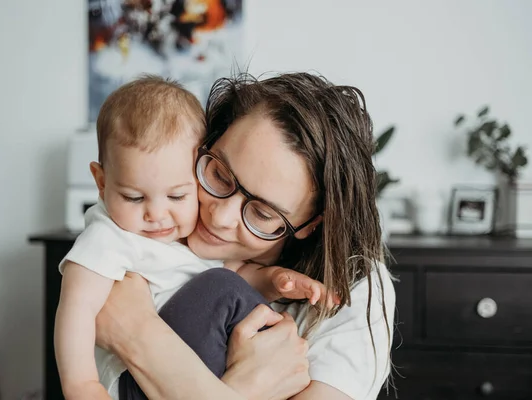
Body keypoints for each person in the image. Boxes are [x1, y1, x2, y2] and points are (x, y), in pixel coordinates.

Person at [95, 72, 396, 400]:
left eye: (263, 213)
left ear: (310, 226)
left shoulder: (354, 287)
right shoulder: (144, 225)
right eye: (219, 175)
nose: (220, 217)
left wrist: (135, 332)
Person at [54, 76, 336, 400]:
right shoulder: (108, 236)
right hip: (134, 382)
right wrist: (81, 385)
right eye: (134, 197)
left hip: (191, 373)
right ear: (101, 183)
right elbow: (74, 309)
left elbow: (234, 273)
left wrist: (276, 280)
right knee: (223, 288)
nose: (157, 215)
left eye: (177, 197)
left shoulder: (182, 235)